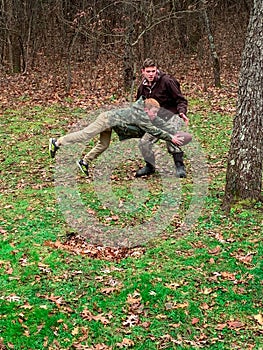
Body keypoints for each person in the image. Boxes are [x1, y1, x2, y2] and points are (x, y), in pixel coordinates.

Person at [49, 98, 191, 174]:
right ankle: (57, 142)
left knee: (104, 144)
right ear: (146, 110)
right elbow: (153, 130)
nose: (155, 115)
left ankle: (84, 162)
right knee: (86, 135)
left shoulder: (150, 115)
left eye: (156, 112)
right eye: (154, 112)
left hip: (112, 124)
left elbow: (161, 124)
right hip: (106, 120)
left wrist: (175, 132)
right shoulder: (140, 115)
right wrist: (170, 138)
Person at [136, 58, 189, 178]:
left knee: (172, 138)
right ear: (142, 71)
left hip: (172, 115)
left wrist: (182, 112)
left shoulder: (167, 81)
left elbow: (181, 100)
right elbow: (139, 104)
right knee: (144, 142)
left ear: (156, 70)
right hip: (155, 119)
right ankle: (150, 166)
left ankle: (179, 165)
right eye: (148, 71)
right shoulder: (142, 88)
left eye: (153, 71)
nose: (151, 74)